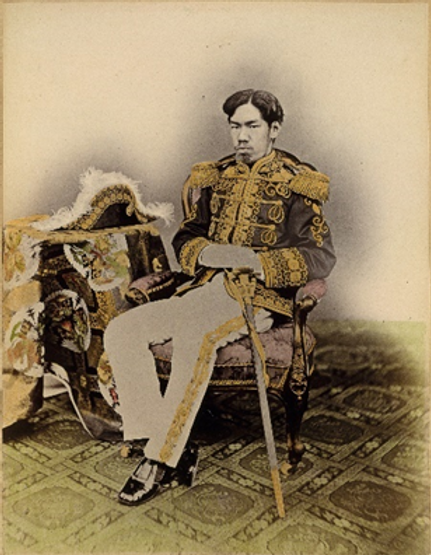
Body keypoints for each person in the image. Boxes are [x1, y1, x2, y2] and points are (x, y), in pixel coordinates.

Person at [104, 89, 336, 505]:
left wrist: (258, 262)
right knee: (122, 331)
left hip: (257, 299)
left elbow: (320, 256)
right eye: (235, 126)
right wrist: (211, 254)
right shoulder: (216, 176)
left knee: (195, 336)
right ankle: (169, 442)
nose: (242, 136)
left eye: (252, 126)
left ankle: (158, 460)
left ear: (273, 129)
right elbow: (188, 237)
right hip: (203, 289)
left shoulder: (298, 183)